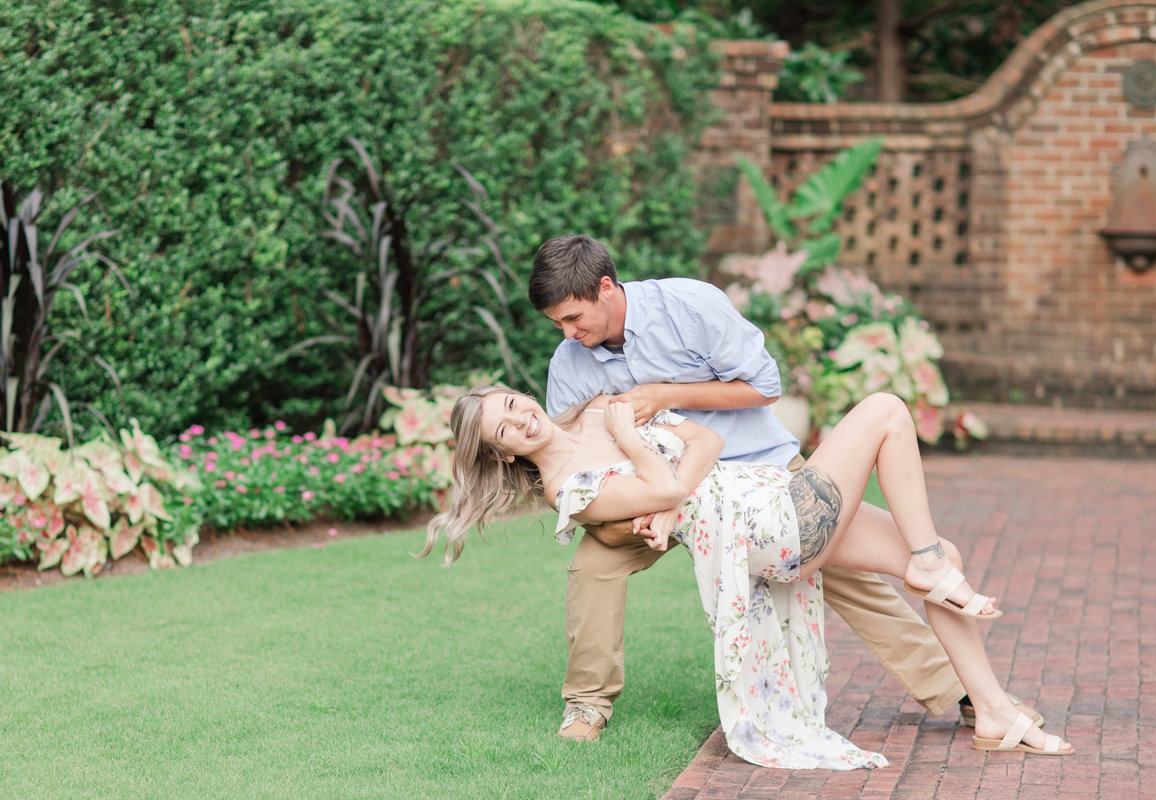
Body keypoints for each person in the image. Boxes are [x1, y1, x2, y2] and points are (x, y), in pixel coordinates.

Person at [524, 234, 1037, 743]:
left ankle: (962, 691)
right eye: (556, 323)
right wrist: (644, 502)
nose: (567, 334)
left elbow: (765, 386)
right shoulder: (568, 364)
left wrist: (665, 394)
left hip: (761, 471)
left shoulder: (689, 305)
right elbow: (577, 458)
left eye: (573, 318)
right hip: (660, 497)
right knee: (593, 566)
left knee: (849, 573)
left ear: (606, 288)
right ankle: (586, 703)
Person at [420, 387, 1074, 767]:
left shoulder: (597, 412)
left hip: (761, 490)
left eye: (513, 402)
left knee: (940, 555)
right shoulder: (570, 488)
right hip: (760, 529)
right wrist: (643, 450)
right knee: (884, 411)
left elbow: (707, 443)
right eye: (505, 427)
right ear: (501, 452)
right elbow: (664, 483)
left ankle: (991, 713)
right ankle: (929, 565)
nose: (521, 417)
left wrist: (659, 484)